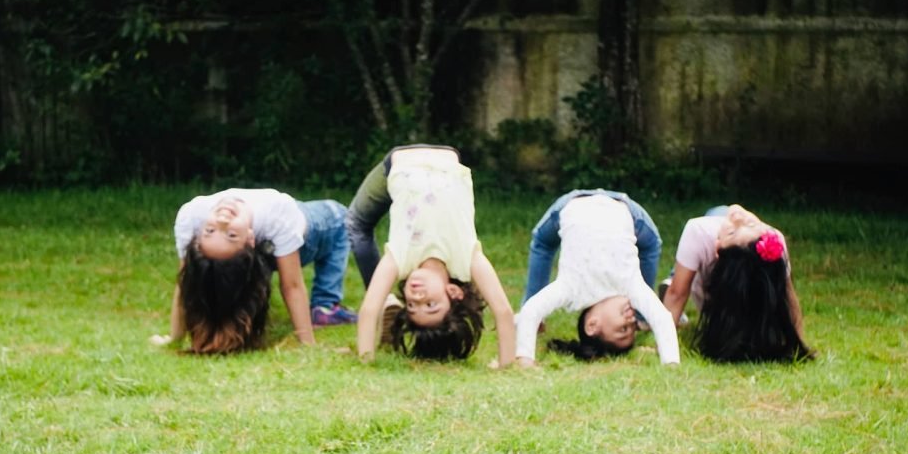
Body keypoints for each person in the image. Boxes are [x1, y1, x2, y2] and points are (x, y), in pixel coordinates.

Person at [353, 144, 515, 365]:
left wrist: (366, 360)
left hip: (402, 159)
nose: (417, 298)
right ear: (453, 292)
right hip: (447, 157)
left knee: (355, 223)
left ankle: (392, 303)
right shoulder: (467, 260)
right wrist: (506, 365)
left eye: (411, 306)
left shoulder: (400, 260)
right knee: (356, 224)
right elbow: (503, 311)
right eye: (431, 305)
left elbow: (370, 309)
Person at [150, 189, 357, 354]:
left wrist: (174, 337)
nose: (222, 220)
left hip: (279, 237)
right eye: (231, 234)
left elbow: (186, 283)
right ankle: (325, 303)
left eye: (210, 231)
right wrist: (308, 344)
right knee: (340, 216)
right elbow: (291, 286)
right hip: (307, 239)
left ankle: (323, 304)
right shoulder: (277, 214)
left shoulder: (192, 215)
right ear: (250, 241)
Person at [515, 191, 679, 366]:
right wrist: (671, 364)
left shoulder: (571, 289)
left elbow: (530, 311)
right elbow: (662, 318)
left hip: (574, 201)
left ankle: (540, 323)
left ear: (592, 325)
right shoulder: (630, 287)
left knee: (543, 243)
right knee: (651, 245)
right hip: (622, 206)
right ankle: (643, 317)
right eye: (633, 326)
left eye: (623, 328)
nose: (630, 321)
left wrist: (525, 360)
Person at [660, 204, 811, 362]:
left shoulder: (700, 232)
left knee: (718, 213)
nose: (739, 217)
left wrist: (797, 342)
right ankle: (678, 273)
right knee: (718, 212)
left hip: (724, 297)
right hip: (721, 289)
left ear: (718, 248)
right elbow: (677, 293)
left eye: (733, 231)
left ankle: (677, 272)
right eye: (750, 224)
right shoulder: (772, 239)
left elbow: (787, 296)